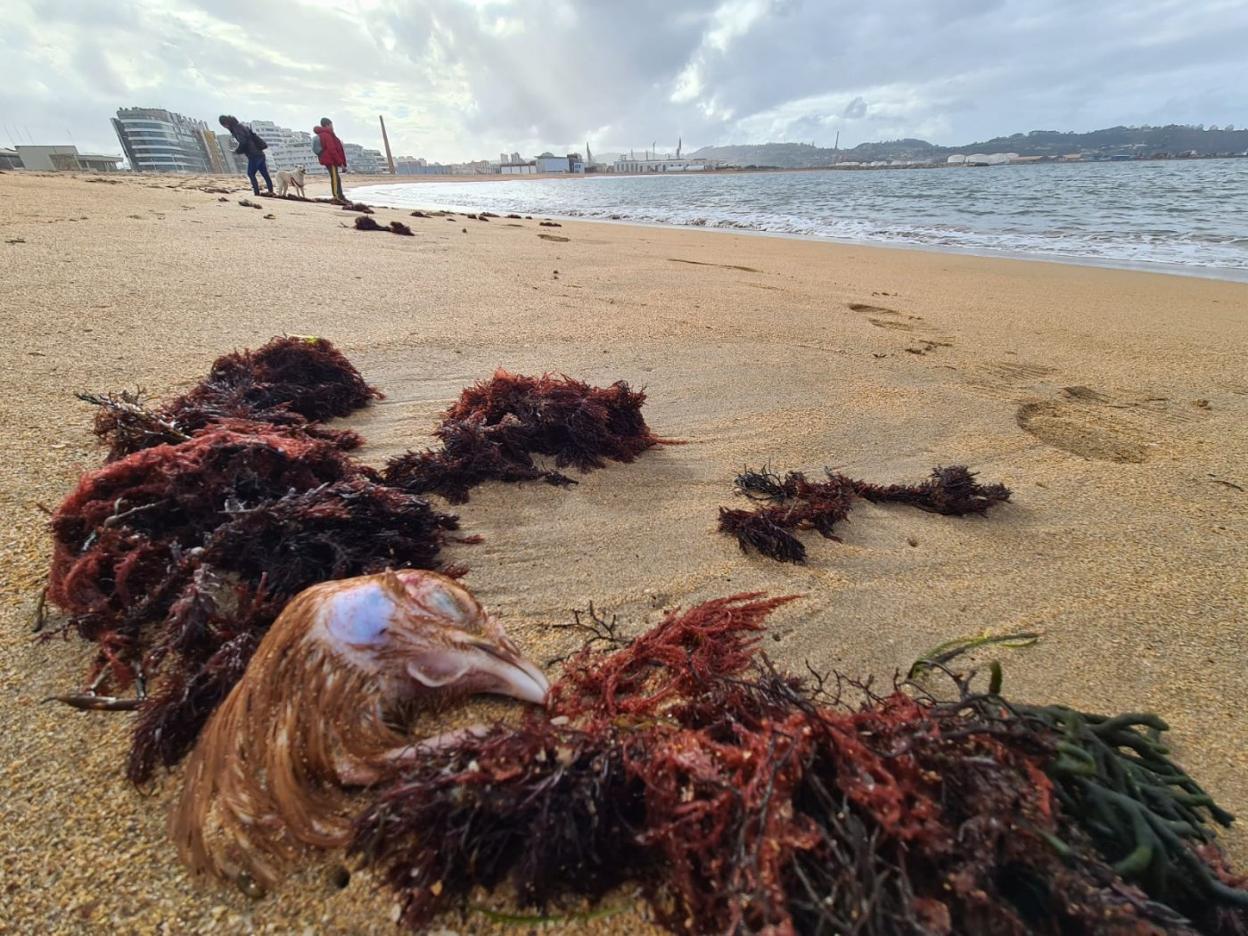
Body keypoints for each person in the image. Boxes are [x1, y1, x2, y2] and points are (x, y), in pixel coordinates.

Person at [219, 115, 273, 196]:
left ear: (226, 123)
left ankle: (257, 193)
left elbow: (243, 141)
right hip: (259, 153)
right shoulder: (240, 126)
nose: (225, 127)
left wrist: (238, 150)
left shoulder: (236, 129)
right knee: (264, 173)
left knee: (251, 173)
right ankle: (270, 191)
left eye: (224, 125)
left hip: (254, 155)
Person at [313, 118, 348, 203]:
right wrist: (341, 163)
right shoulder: (327, 135)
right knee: (335, 178)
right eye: (332, 125)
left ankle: (340, 196)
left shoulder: (327, 134)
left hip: (330, 159)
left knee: (336, 178)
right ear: (327, 125)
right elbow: (332, 150)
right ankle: (337, 197)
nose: (333, 127)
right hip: (330, 160)